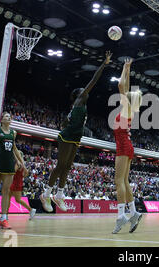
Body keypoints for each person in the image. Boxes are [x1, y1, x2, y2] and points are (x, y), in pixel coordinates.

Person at [40, 51, 112, 213]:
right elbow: (94, 80)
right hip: (67, 136)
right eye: (82, 90)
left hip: (75, 137)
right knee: (60, 165)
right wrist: (104, 64)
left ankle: (59, 195)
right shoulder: (79, 101)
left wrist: (70, 122)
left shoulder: (78, 107)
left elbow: (66, 121)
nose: (86, 92)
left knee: (67, 167)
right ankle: (46, 194)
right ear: (78, 95)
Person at [112, 58, 143, 234]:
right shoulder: (129, 109)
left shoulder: (126, 108)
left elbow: (120, 86)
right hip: (126, 146)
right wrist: (128, 68)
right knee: (124, 181)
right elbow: (125, 85)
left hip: (123, 146)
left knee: (119, 181)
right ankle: (133, 212)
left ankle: (121, 216)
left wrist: (124, 68)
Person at [7, 150, 36, 220]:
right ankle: (5, 215)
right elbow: (26, 173)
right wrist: (21, 177)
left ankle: (31, 210)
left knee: (18, 199)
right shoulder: (23, 164)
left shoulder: (18, 163)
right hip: (16, 182)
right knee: (8, 198)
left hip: (16, 183)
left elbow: (13, 171)